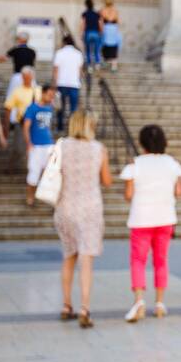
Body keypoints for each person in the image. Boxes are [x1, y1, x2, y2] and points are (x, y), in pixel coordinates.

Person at [120, 124, 181, 321]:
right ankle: (159, 303)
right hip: (165, 218)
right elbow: (178, 192)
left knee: (138, 260)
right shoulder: (173, 164)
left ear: (142, 143)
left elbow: (129, 194)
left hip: (141, 219)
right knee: (161, 260)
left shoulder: (134, 166)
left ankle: (139, 300)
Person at [55, 111, 112, 328]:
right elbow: (106, 180)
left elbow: (53, 172)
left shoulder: (60, 146)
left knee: (69, 255)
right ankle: (85, 307)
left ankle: (66, 304)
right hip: (89, 208)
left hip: (65, 206)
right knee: (86, 259)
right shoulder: (98, 149)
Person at [22, 84, 57, 207]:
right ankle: (30, 198)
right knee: (33, 173)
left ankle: (48, 199)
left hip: (49, 145)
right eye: (49, 94)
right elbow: (26, 127)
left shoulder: (50, 108)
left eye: (53, 95)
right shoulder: (32, 108)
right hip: (36, 146)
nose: (51, 97)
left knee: (51, 174)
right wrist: (28, 144)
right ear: (42, 93)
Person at [4, 66, 40, 166]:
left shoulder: (38, 90)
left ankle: (31, 170)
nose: (26, 79)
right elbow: (8, 108)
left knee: (35, 148)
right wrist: (6, 127)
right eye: (24, 77)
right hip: (21, 124)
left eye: (28, 77)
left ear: (32, 77)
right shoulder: (17, 91)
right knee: (18, 148)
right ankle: (11, 165)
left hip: (35, 124)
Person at [52, 34, 85, 132]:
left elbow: (56, 70)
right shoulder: (78, 54)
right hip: (74, 84)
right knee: (73, 109)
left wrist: (54, 83)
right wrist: (80, 81)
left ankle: (60, 127)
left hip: (61, 83)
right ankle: (72, 129)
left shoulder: (59, 53)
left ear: (64, 42)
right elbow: (80, 71)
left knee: (60, 107)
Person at [5, 32, 37, 103]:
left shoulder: (15, 50)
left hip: (18, 76)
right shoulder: (32, 51)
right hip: (29, 76)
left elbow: (4, 58)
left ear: (20, 39)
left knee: (12, 96)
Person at [100, 0, 122, 72]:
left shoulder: (102, 10)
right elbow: (118, 22)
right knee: (114, 47)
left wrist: (101, 31)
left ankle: (106, 62)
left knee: (105, 46)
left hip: (106, 29)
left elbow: (101, 22)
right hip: (113, 29)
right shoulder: (115, 10)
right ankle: (114, 66)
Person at [81, 0, 103, 69]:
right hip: (96, 33)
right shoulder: (96, 14)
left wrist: (82, 33)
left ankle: (89, 65)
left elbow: (84, 24)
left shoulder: (85, 13)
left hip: (88, 32)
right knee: (96, 49)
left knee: (88, 50)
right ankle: (97, 64)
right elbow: (99, 23)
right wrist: (100, 32)